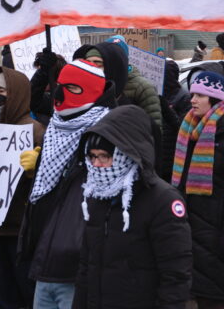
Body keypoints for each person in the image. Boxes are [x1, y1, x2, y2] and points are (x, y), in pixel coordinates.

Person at [74, 106, 192, 309]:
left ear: (126, 154)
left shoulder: (162, 200)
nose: (97, 165)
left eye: (105, 156)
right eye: (92, 157)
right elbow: (86, 266)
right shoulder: (96, 196)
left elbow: (175, 274)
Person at [20, 60, 114, 309]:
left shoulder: (105, 136)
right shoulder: (56, 126)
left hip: (76, 264)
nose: (61, 94)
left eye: (71, 88)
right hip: (45, 256)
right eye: (59, 85)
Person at [170, 71, 224, 308]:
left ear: (215, 99)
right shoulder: (188, 130)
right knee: (201, 295)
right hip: (190, 227)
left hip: (219, 232)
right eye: (193, 94)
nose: (192, 100)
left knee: (216, 297)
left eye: (199, 95)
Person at [0, 65, 44, 308]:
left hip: (17, 232)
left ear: (16, 94)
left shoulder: (34, 130)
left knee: (21, 295)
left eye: (2, 90)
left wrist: (33, 171)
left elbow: (47, 183)